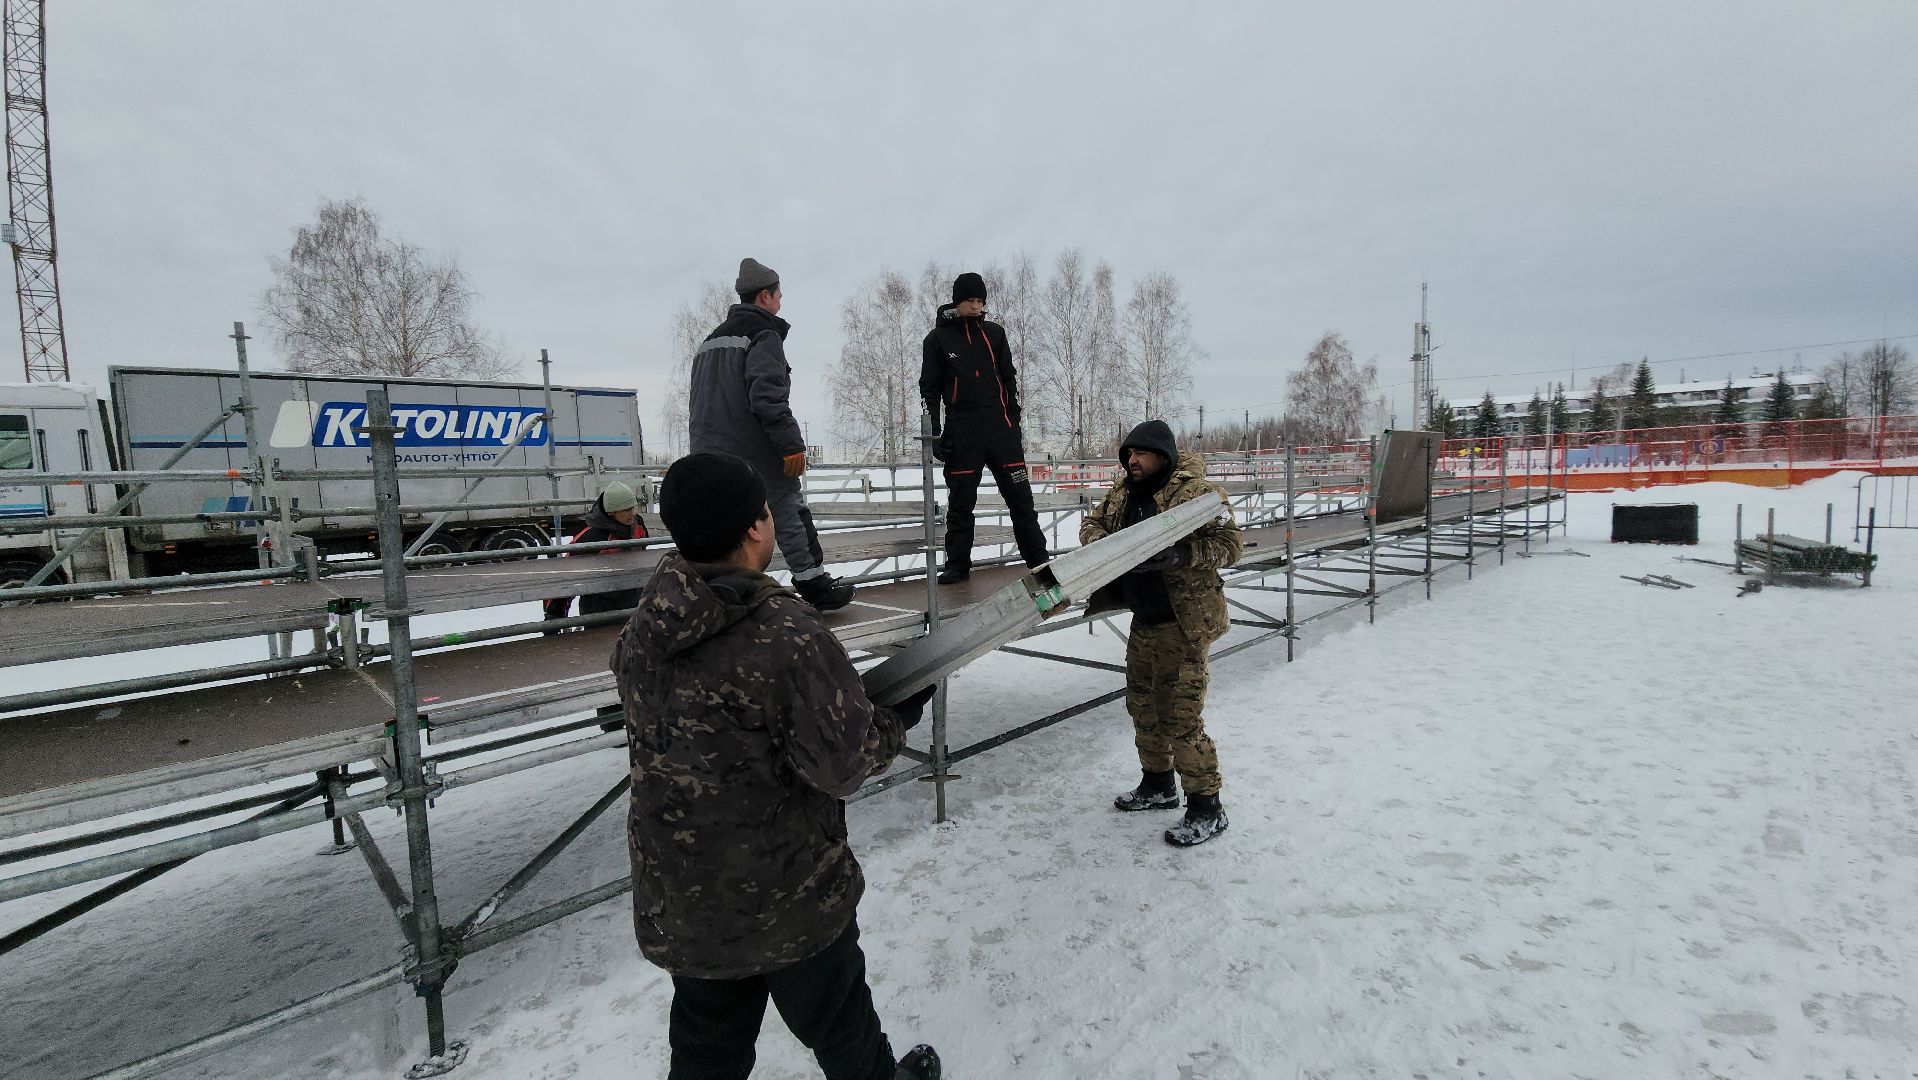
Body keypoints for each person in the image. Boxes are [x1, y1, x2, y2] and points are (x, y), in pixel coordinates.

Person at [612, 450, 942, 1080]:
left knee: (707, 1051)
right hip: (786, 896)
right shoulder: (785, 632)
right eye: (764, 510)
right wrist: (895, 721)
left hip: (688, 898)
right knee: (843, 1026)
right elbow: (840, 764)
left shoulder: (644, 628)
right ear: (753, 529)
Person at [1080, 420, 1243, 847]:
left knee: (1180, 716)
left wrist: (1182, 554)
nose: (1131, 461)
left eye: (1140, 454)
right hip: (1145, 619)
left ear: (1163, 456)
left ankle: (1208, 806)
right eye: (1127, 454)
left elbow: (1231, 544)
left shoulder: (1195, 493)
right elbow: (1090, 525)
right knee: (1143, 707)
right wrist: (1107, 544)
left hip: (1183, 622)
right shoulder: (1122, 493)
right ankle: (1157, 785)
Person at [689, 257, 856, 611]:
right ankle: (813, 583)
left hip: (708, 452)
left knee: (726, 524)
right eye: (779, 296)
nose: (781, 303)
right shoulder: (763, 335)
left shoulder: (709, 341)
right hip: (753, 450)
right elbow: (767, 396)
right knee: (788, 507)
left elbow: (698, 401)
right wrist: (791, 444)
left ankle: (722, 592)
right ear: (764, 296)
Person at [918, 271, 1051, 584]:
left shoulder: (995, 334)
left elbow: (1009, 379)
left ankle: (1040, 563)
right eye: (970, 301)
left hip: (1001, 430)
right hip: (963, 432)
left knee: (1021, 501)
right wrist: (935, 432)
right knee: (961, 503)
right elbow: (929, 389)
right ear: (958, 301)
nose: (976, 306)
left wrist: (1013, 421)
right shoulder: (937, 340)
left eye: (980, 301)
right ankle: (957, 566)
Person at [541, 480, 649, 630]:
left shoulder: (638, 526)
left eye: (633, 507)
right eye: (626, 510)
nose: (633, 513)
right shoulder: (592, 539)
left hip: (634, 608)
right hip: (600, 613)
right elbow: (565, 576)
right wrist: (554, 617)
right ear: (612, 512)